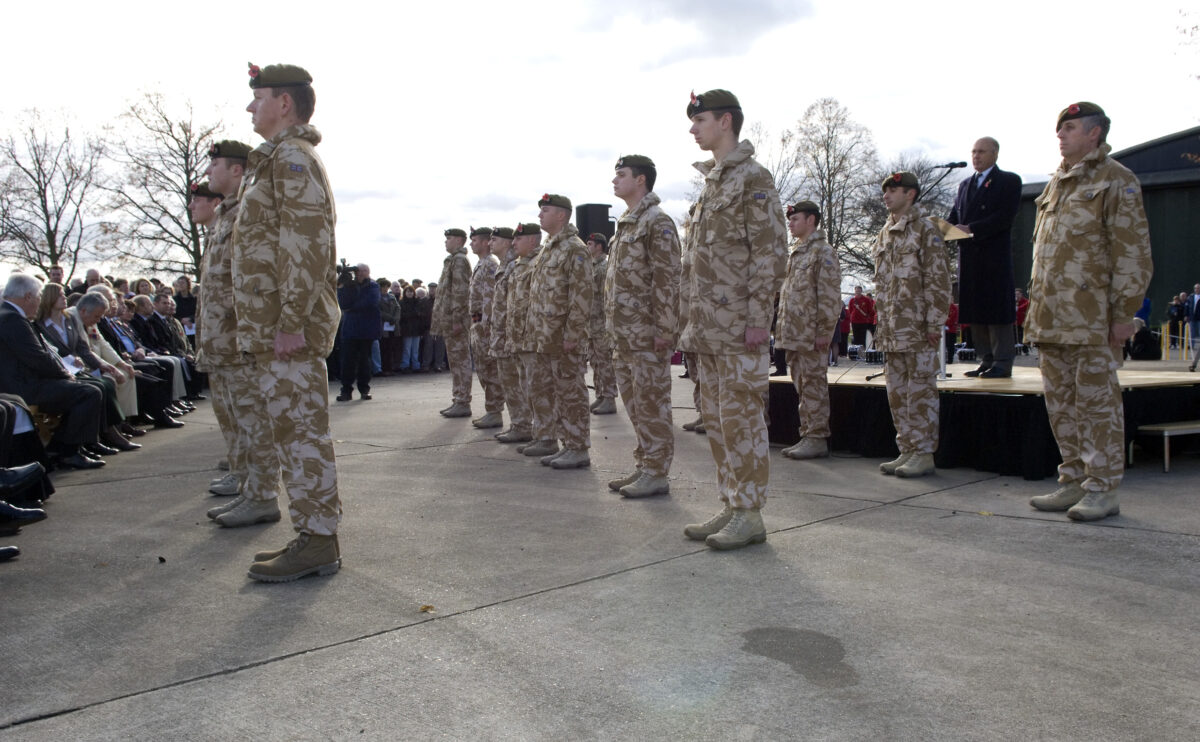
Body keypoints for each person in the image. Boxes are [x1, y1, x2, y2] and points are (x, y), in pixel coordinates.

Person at [231, 62, 342, 581]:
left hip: (287, 328)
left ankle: (319, 541)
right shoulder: (274, 160)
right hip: (275, 325)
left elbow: (305, 243)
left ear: (284, 104)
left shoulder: (292, 157)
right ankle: (311, 534)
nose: (250, 107)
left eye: (258, 98)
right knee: (291, 432)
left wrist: (291, 318)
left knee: (301, 435)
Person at [1026, 102, 1152, 521]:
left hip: (1092, 317)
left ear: (1095, 133)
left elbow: (1132, 251)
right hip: (1050, 316)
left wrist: (1124, 312)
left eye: (1071, 127)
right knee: (1061, 406)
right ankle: (1074, 480)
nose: (1061, 134)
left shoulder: (1117, 180)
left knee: (1097, 407)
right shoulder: (1056, 184)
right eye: (1060, 128)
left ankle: (1103, 488)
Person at [679, 89, 788, 550]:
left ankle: (751, 513)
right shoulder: (712, 184)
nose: (692, 128)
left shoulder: (753, 178)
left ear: (725, 121)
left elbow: (770, 251)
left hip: (740, 325)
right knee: (718, 420)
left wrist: (759, 318)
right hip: (708, 327)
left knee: (742, 419)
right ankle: (732, 502)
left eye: (699, 119)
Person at [603, 155, 681, 497]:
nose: (614, 180)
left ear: (641, 180)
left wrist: (665, 330)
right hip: (624, 335)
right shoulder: (627, 224)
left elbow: (668, 280)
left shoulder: (657, 222)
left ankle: (657, 471)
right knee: (635, 405)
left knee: (652, 404)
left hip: (648, 334)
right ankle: (645, 464)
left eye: (621, 175)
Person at [874, 172, 952, 478]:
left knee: (920, 392)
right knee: (897, 392)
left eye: (893, 190)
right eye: (886, 191)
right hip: (892, 329)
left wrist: (935, 322)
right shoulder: (885, 233)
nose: (886, 195)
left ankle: (923, 452)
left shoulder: (925, 229)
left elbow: (938, 279)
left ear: (911, 194)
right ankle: (906, 447)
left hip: (918, 327)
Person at [0, 274, 105, 470]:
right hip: (22, 387)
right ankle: (67, 451)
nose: (40, 302)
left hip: (24, 381)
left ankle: (66, 447)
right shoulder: (12, 319)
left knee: (88, 388)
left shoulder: (8, 314)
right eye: (39, 296)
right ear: (28, 297)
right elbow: (38, 358)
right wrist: (65, 375)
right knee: (88, 393)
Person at [527, 194, 593, 470]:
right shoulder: (550, 249)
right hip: (547, 336)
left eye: (546, 210)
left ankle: (578, 447)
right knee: (556, 392)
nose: (540, 215)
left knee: (572, 393)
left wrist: (573, 335)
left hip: (565, 339)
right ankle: (566, 443)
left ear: (562, 216)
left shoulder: (574, 248)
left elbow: (581, 296)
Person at [949, 137, 1023, 378]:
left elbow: (1003, 217)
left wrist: (972, 229)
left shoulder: (1008, 181)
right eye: (973, 151)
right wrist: (940, 229)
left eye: (981, 151)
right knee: (976, 310)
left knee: (996, 311)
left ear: (995, 153)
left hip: (993, 257)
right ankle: (986, 359)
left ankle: (1003, 360)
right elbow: (954, 216)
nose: (976, 156)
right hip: (969, 258)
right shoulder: (964, 185)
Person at [775, 201, 841, 460]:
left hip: (811, 334)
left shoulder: (822, 252)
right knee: (803, 385)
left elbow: (829, 295)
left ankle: (816, 437)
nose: (790, 223)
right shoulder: (798, 252)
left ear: (811, 220)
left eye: (795, 219)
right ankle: (808, 434)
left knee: (813, 385)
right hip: (795, 334)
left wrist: (825, 331)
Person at [486, 227, 531, 441]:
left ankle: (524, 426)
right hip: (502, 335)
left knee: (516, 383)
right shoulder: (505, 266)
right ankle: (518, 424)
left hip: (511, 336)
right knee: (509, 383)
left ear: (506, 242)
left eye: (494, 240)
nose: (490, 244)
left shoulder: (515, 265)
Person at [506, 223, 543, 449]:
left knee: (538, 390)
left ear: (531, 240)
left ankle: (545, 436)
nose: (514, 243)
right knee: (527, 389)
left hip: (533, 338)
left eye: (518, 239)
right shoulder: (520, 265)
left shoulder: (540, 262)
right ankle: (537, 434)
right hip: (520, 337)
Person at [467, 227, 505, 429]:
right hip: (477, 323)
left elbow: (490, 298)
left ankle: (495, 411)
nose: (471, 244)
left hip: (484, 324)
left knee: (490, 370)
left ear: (484, 242)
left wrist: (486, 326)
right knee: (483, 369)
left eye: (474, 240)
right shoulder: (481, 264)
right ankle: (491, 409)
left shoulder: (490, 265)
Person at [432, 229, 472, 416]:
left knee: (460, 362)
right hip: (449, 320)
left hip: (456, 321)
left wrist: (457, 319)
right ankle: (458, 399)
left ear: (459, 240)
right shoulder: (452, 261)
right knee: (455, 362)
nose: (445, 242)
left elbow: (460, 292)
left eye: (449, 239)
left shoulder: (459, 261)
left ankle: (463, 401)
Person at [336, 263, 380, 402]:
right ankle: (346, 390)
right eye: (358, 270)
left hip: (366, 329)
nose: (361, 273)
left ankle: (364, 389)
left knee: (364, 361)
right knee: (347, 361)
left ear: (369, 272)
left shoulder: (373, 286)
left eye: (364, 270)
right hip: (350, 329)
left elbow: (370, 302)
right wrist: (344, 284)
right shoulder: (348, 285)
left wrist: (352, 307)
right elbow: (343, 303)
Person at [585, 232, 618, 416]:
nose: (587, 246)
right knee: (596, 362)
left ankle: (610, 397)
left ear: (599, 246)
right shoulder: (591, 266)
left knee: (605, 362)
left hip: (601, 323)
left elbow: (607, 296)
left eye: (590, 244)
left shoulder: (603, 267)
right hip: (591, 323)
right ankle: (601, 394)